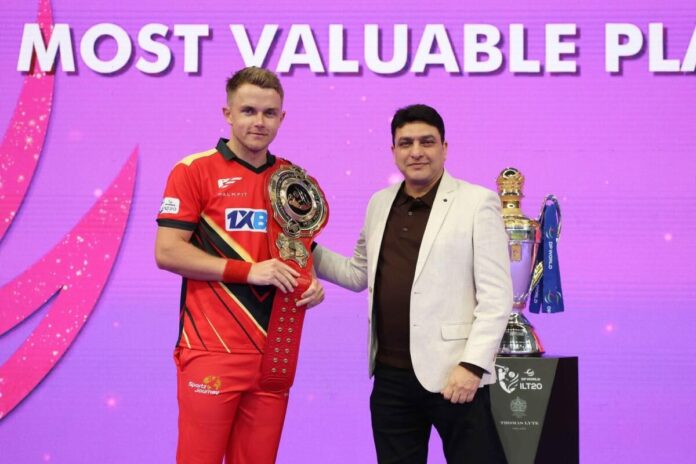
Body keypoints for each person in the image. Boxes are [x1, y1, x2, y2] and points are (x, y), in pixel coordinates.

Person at [313, 104, 512, 463]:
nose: (416, 152)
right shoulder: (379, 203)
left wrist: (473, 367)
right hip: (390, 377)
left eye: (427, 142)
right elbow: (358, 273)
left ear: (444, 148)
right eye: (406, 143)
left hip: (456, 374)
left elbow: (496, 297)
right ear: (393, 151)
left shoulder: (477, 202)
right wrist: (301, 249)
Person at [155, 67, 325, 464]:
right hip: (211, 348)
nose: (259, 122)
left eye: (269, 113)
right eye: (248, 111)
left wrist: (310, 283)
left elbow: (296, 249)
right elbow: (168, 252)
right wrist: (248, 271)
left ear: (282, 117)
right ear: (227, 113)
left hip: (275, 356)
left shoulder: (293, 181)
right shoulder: (193, 170)